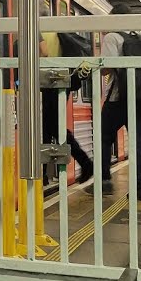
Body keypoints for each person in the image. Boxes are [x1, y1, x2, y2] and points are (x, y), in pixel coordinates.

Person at [97, 3, 141, 201]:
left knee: (103, 137)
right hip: (139, 97)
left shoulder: (112, 37)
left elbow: (107, 68)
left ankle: (104, 182)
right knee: (139, 143)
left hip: (117, 98)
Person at [40, 16, 94, 186]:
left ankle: (85, 163)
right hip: (60, 85)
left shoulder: (39, 30)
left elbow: (44, 52)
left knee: (51, 128)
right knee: (49, 129)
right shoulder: (57, 30)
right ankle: (43, 174)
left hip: (49, 84)